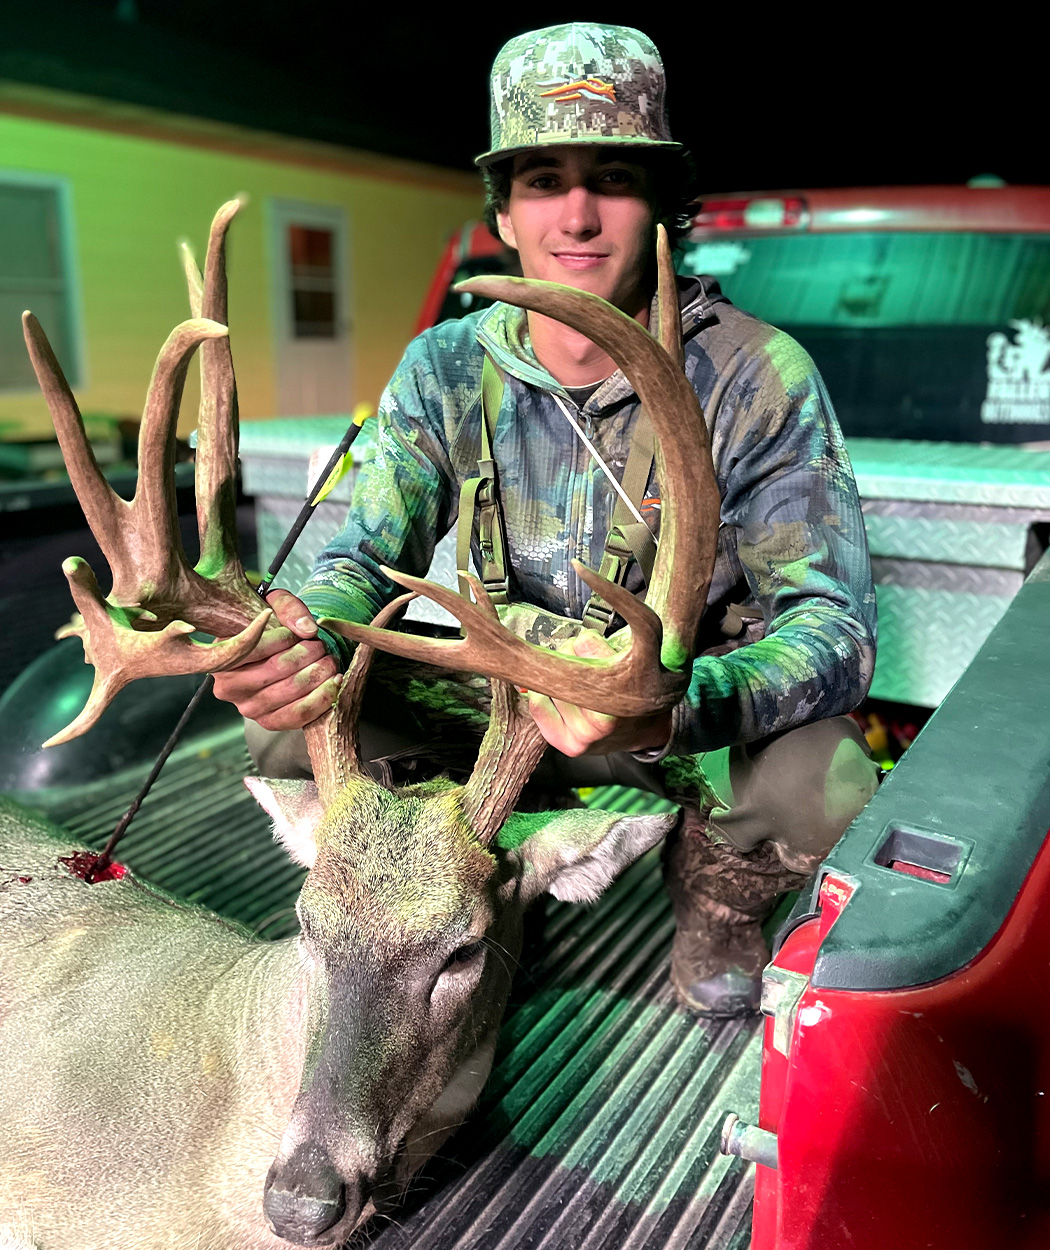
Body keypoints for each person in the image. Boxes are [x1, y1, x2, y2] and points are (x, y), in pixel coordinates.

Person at [213, 22, 880, 1016]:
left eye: (611, 176)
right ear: (504, 211)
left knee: (823, 783)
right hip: (504, 707)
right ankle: (467, 884)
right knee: (295, 727)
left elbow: (836, 632)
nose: (576, 213)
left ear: (662, 204)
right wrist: (299, 632)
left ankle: (715, 892)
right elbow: (357, 550)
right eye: (540, 179)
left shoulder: (754, 373)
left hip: (675, 716)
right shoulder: (444, 366)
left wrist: (673, 700)